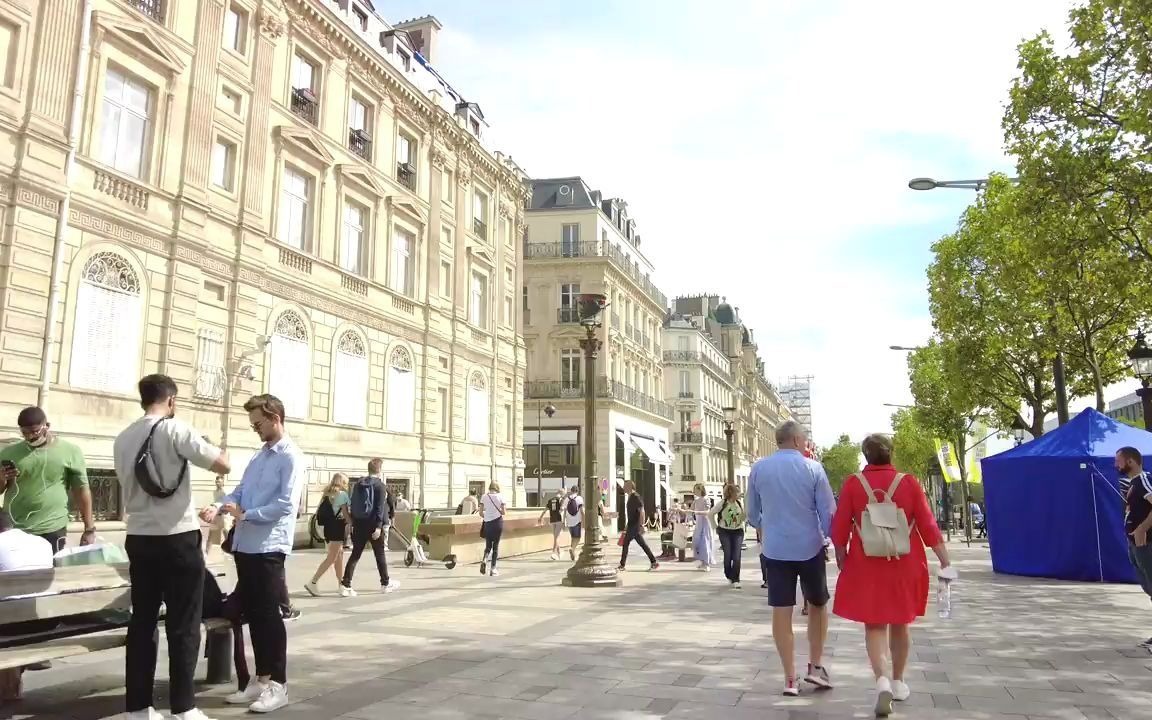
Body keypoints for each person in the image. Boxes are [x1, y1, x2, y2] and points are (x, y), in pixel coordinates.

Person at [115, 375, 232, 720]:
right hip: (177, 537)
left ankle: (138, 708)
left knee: (142, 621)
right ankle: (183, 707)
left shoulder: (123, 438)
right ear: (172, 400)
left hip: (138, 537)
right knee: (183, 623)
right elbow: (222, 463)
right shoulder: (174, 429)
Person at [830, 434, 951, 717]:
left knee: (874, 625)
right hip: (904, 563)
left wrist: (841, 554)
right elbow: (927, 524)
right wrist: (945, 559)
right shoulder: (908, 483)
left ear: (865, 455)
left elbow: (839, 527)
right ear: (891, 453)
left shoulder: (852, 484)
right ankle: (897, 682)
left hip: (866, 564)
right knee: (901, 622)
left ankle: (881, 679)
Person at [199, 394, 305, 714]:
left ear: (275, 418)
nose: (255, 429)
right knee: (256, 616)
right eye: (252, 424)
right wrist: (218, 506)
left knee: (270, 617)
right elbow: (240, 491)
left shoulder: (291, 457)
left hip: (269, 546)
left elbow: (286, 505)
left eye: (258, 423)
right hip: (245, 546)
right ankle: (260, 679)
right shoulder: (259, 457)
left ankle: (279, 685)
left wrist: (247, 514)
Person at [747, 420, 836, 697]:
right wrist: (832, 541)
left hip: (775, 550)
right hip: (809, 547)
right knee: (818, 605)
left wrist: (769, 524)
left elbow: (751, 514)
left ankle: (789, 678)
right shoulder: (813, 468)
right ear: (798, 440)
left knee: (781, 611)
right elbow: (828, 513)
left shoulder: (759, 469)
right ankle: (816, 667)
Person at [0, 406, 94, 552]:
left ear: (47, 426)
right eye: (25, 433)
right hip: (16, 529)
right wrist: (2, 479)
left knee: (49, 572)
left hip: (52, 528)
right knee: (15, 574)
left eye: (35, 431)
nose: (30, 437)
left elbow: (81, 489)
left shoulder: (70, 451)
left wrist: (89, 528)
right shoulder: (8, 453)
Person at [0, 508, 54, 702]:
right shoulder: (42, 543)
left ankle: (7, 684)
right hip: (45, 622)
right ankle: (9, 684)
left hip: (10, 626)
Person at [341, 459, 399, 596]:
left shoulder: (358, 485)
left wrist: (354, 523)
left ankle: (345, 584)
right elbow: (379, 508)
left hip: (359, 524)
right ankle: (385, 583)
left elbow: (353, 505)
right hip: (373, 526)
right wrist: (379, 527)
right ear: (379, 470)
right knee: (380, 555)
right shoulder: (380, 486)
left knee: (355, 555)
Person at [1117, 447, 1152, 651]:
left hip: (1146, 543)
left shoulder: (1143, 480)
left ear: (1130, 461)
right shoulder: (1132, 485)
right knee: (1149, 588)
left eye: (1119, 461)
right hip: (1135, 544)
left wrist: (1142, 529)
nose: (1116, 465)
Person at [305, 473, 350, 597]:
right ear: (342, 483)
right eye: (346, 482)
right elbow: (345, 514)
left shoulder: (327, 494)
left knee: (338, 556)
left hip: (329, 529)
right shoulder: (341, 495)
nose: (347, 485)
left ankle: (341, 585)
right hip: (337, 529)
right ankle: (313, 582)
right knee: (332, 558)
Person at [617, 480, 659, 571]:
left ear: (630, 486)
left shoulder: (636, 497)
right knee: (640, 544)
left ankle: (622, 565)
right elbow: (631, 514)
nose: (623, 487)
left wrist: (641, 525)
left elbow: (642, 511)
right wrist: (627, 526)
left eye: (625, 486)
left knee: (626, 544)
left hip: (635, 525)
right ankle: (653, 562)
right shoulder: (630, 497)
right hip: (632, 525)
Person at [712, 484, 747, 588]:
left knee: (736, 556)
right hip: (724, 531)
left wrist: (744, 520)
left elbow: (744, 516)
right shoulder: (723, 503)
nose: (739, 494)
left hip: (738, 531)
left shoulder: (739, 503)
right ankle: (729, 575)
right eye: (737, 492)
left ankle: (736, 579)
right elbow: (710, 514)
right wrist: (716, 527)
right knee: (728, 555)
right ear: (731, 493)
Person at [480, 481, 507, 576]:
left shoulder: (484, 496)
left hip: (488, 523)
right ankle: (493, 569)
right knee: (495, 546)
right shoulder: (500, 496)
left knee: (488, 546)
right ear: (497, 488)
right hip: (497, 523)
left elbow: (480, 513)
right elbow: (503, 512)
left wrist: (487, 517)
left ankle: (484, 559)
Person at [691, 483, 716, 571]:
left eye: (696, 489)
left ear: (700, 490)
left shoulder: (706, 499)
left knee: (705, 542)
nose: (694, 491)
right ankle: (702, 561)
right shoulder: (696, 500)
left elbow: (707, 511)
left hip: (705, 523)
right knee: (698, 542)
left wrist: (697, 512)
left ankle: (707, 563)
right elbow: (691, 510)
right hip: (699, 523)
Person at [538, 489, 566, 560]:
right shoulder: (561, 500)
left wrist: (540, 517)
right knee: (557, 537)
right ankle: (553, 552)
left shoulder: (550, 500)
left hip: (552, 520)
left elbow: (545, 510)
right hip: (559, 520)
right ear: (561, 493)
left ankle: (559, 552)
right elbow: (562, 510)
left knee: (555, 537)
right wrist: (564, 520)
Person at [563, 484, 584, 561]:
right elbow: (581, 511)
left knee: (573, 537)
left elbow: (565, 511)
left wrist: (563, 521)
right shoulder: (579, 498)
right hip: (577, 520)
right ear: (577, 491)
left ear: (571, 490)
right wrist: (584, 520)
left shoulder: (566, 499)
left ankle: (573, 554)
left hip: (569, 521)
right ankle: (572, 549)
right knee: (578, 538)